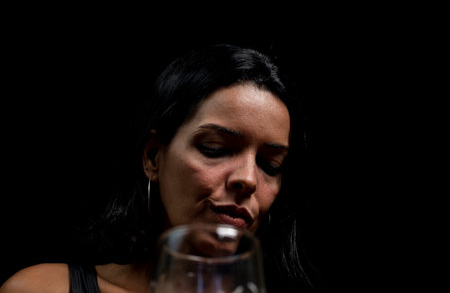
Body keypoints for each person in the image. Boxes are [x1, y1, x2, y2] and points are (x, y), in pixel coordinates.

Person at [0, 43, 318, 292]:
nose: (248, 179)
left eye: (269, 165)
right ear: (154, 158)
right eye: (215, 149)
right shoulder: (46, 288)